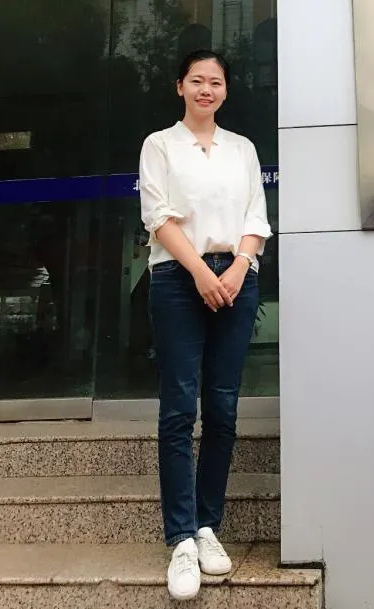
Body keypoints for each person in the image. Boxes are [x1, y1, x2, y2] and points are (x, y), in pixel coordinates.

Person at [139, 49, 271, 601]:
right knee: (179, 407)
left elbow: (256, 217)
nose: (206, 90)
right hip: (177, 277)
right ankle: (181, 539)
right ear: (180, 87)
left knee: (222, 408)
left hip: (237, 278)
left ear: (225, 91)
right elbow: (158, 216)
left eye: (215, 82)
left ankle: (206, 525)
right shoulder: (159, 145)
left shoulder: (242, 148)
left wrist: (237, 268)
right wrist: (199, 271)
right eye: (197, 80)